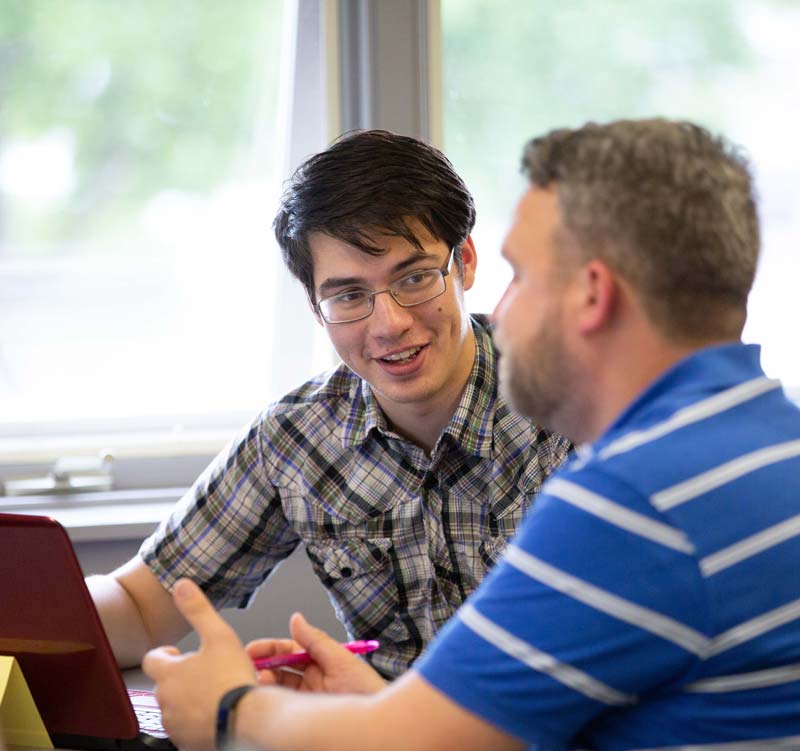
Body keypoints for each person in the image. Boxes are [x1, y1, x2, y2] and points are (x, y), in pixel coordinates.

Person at [143, 118, 800, 751]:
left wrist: (229, 708)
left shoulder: (632, 499)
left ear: (592, 294)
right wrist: (390, 713)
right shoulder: (769, 444)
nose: (502, 313)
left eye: (519, 276)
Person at [87, 130, 571, 678]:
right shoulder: (297, 437)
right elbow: (140, 607)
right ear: (317, 308)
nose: (389, 324)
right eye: (348, 296)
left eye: (414, 279)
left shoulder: (574, 408)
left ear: (464, 263)